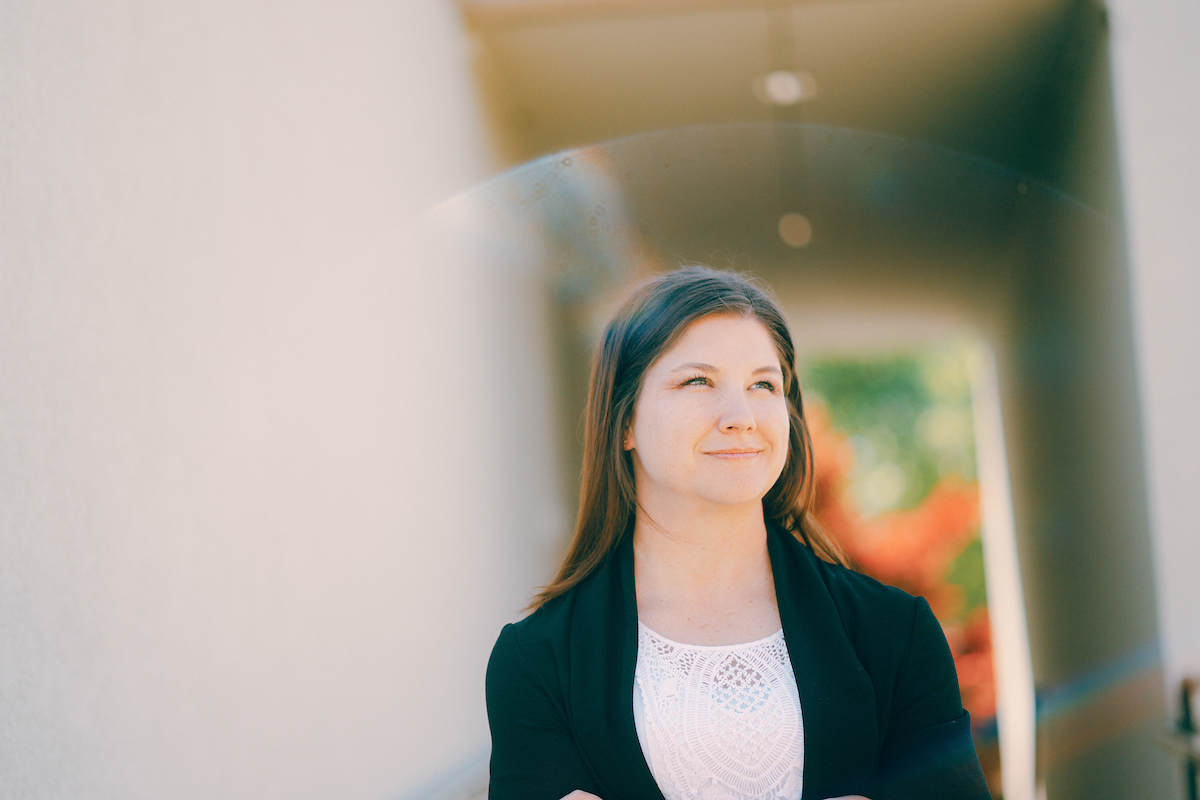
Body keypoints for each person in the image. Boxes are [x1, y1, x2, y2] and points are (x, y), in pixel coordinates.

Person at [485, 266, 990, 800]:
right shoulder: (536, 662)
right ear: (624, 420)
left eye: (764, 385)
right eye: (698, 381)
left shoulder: (896, 634)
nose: (741, 416)